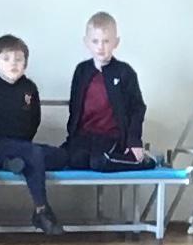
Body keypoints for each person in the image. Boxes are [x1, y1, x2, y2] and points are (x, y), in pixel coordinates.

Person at [0, 35, 63, 233]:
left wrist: (23, 146)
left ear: (25, 64)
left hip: (21, 146)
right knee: (32, 154)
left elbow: (34, 120)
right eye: (6, 59)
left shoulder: (29, 88)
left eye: (18, 59)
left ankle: (13, 163)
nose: (13, 63)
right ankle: (41, 210)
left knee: (60, 155)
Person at [59, 13, 150, 169]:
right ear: (86, 42)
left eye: (106, 41)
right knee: (72, 160)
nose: (100, 47)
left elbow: (137, 108)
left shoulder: (124, 72)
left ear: (116, 43)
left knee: (98, 162)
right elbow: (75, 106)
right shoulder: (82, 71)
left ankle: (142, 162)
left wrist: (134, 141)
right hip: (84, 137)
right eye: (95, 41)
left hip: (111, 138)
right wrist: (72, 135)